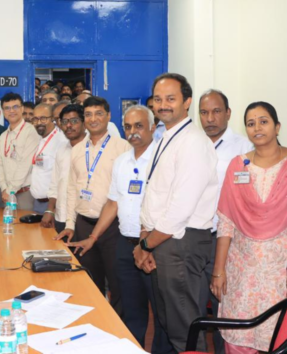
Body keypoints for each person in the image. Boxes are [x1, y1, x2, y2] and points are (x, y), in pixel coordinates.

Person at [67, 105, 172, 352]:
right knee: (130, 311)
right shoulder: (122, 161)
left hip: (156, 247)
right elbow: (113, 202)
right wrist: (93, 237)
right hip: (126, 247)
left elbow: (167, 207)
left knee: (162, 315)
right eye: (128, 127)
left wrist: (146, 246)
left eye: (138, 126)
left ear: (152, 127)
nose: (133, 132)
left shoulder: (163, 159)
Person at [136, 73, 218, 353]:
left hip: (181, 244)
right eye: (158, 99)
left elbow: (179, 210)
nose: (163, 105)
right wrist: (144, 239)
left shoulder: (193, 142)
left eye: (171, 98)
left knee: (185, 329)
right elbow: (155, 196)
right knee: (170, 324)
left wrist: (146, 244)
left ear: (187, 102)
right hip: (163, 241)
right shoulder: (165, 137)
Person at [210, 102, 287, 354]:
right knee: (239, 337)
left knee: (282, 334)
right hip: (242, 268)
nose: (257, 127)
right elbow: (226, 221)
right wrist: (218, 271)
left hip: (281, 266)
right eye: (251, 123)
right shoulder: (237, 165)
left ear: (277, 126)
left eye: (263, 121)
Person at [57, 96, 132, 315]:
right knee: (88, 281)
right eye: (88, 114)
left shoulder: (123, 148)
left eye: (99, 113)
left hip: (112, 228)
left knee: (117, 284)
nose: (93, 119)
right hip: (83, 225)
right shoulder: (78, 150)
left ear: (109, 116)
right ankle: (94, 323)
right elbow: (72, 189)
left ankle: (118, 331)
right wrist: (70, 224)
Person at [198, 89, 254, 354]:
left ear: (228, 113)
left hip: (228, 241)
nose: (210, 118)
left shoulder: (244, 148)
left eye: (216, 111)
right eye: (204, 112)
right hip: (195, 238)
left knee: (225, 308)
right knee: (195, 306)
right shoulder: (193, 144)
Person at [0, 93, 40, 210]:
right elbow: (0, 164)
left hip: (24, 193)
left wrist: (10, 190)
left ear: (22, 109)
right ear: (3, 111)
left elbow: (26, 165)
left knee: (24, 227)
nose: (11, 111)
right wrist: (4, 188)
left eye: (15, 107)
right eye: (7, 108)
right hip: (6, 193)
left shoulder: (30, 132)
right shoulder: (3, 136)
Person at [44, 102, 82, 234]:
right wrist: (50, 210)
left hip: (82, 219)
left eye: (74, 121)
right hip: (61, 215)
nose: (69, 125)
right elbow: (54, 184)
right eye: (65, 121)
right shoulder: (61, 150)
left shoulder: (92, 150)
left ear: (84, 122)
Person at [30, 103, 68, 215]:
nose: (38, 123)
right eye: (35, 119)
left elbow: (63, 179)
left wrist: (51, 209)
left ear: (53, 119)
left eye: (43, 118)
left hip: (53, 205)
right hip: (38, 203)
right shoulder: (40, 139)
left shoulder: (61, 141)